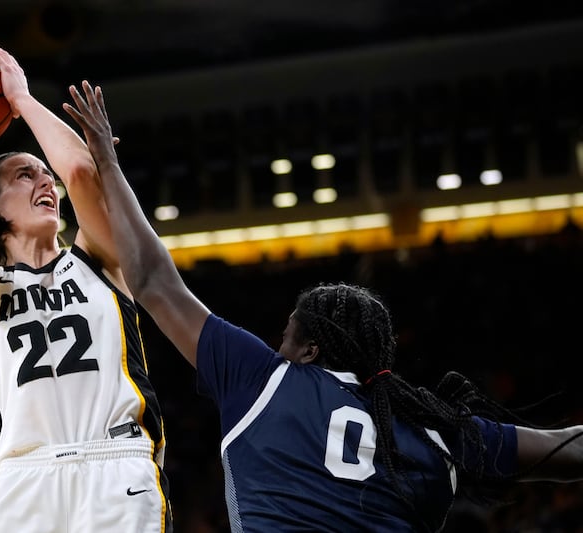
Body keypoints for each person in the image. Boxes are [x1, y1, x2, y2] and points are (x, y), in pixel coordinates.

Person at [63, 80, 583, 532]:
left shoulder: (262, 379)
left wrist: (108, 164)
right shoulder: (439, 429)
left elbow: (152, 278)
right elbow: (566, 448)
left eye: (285, 337)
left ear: (310, 349)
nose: (277, 348)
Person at [0, 44, 172, 533]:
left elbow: (83, 171)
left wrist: (19, 98)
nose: (47, 181)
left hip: (115, 460)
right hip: (25, 478)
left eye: (46, 174)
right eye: (26, 175)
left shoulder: (99, 262)